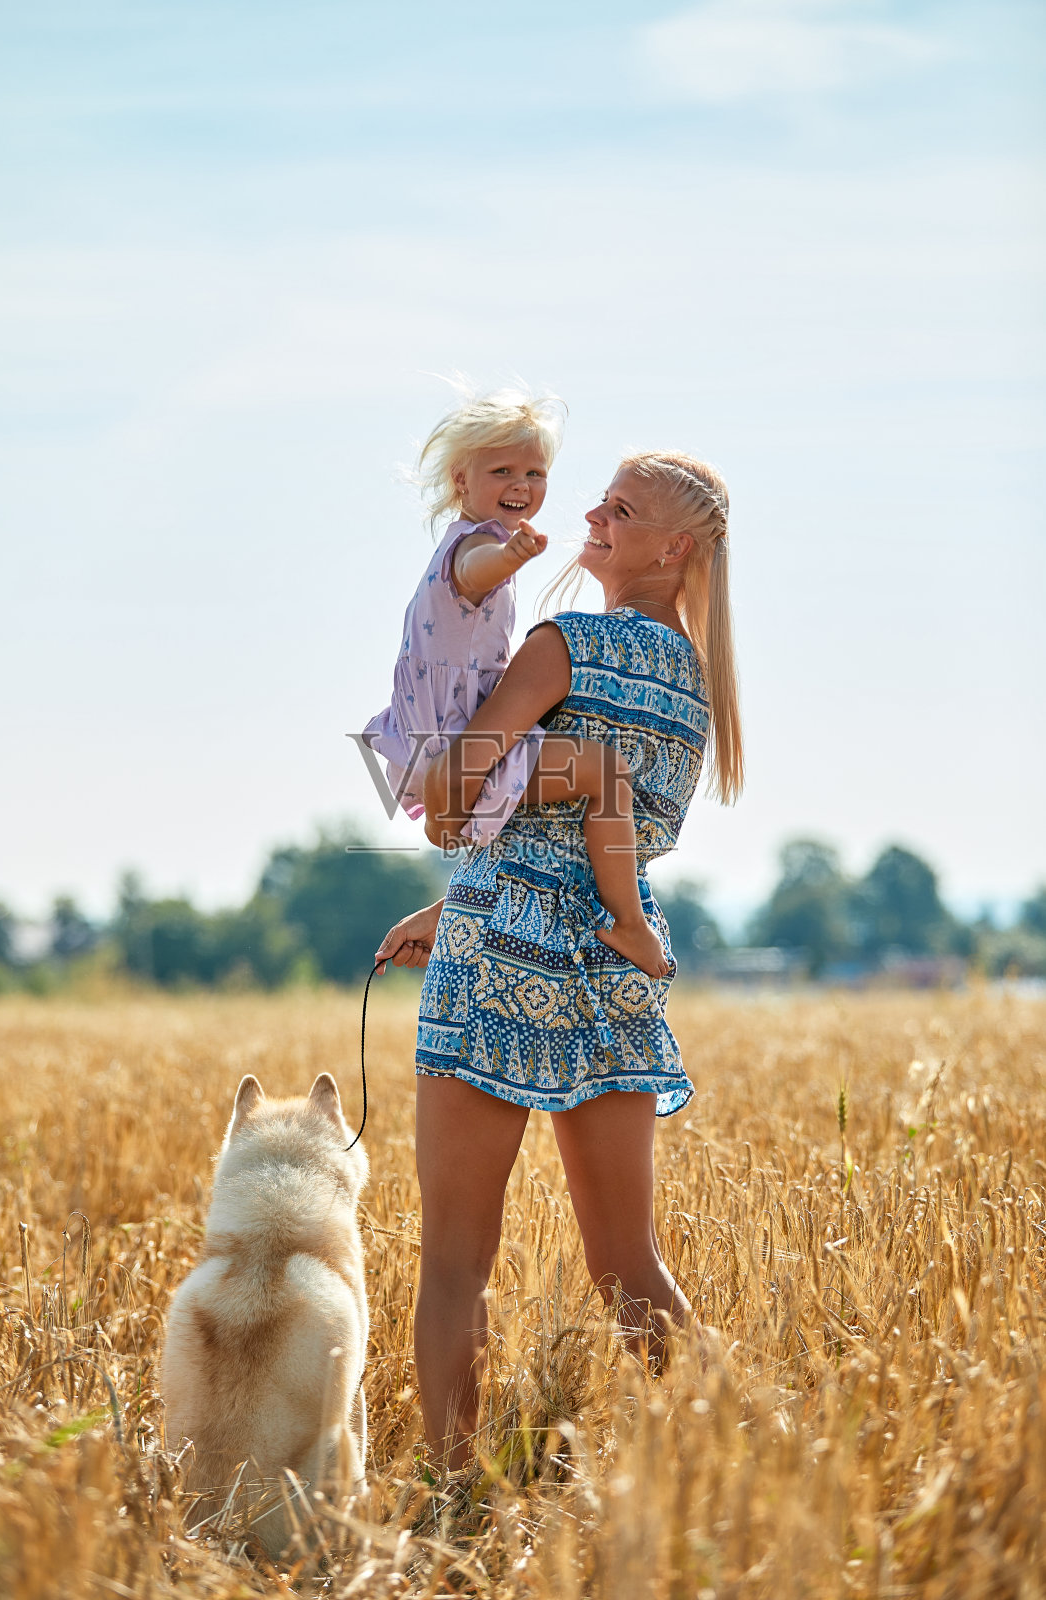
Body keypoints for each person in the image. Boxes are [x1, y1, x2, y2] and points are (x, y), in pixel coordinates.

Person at [375, 451, 744, 1468]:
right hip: (618, 956)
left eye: (618, 509)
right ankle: (744, 1456)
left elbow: (453, 800)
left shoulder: (564, 641)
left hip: (499, 945)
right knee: (630, 1265)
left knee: (453, 1260)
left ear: (673, 547)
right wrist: (451, 893)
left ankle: (452, 1490)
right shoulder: (697, 687)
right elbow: (603, 829)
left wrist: (452, 818)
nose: (589, 511)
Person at [363, 388, 669, 977]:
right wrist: (512, 558)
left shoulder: (470, 542)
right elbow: (475, 572)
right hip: (455, 743)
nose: (521, 484)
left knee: (573, 789)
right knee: (606, 773)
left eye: (535, 471)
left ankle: (462, 881)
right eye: (501, 470)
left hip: (434, 740)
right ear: (461, 481)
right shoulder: (475, 546)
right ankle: (629, 924)